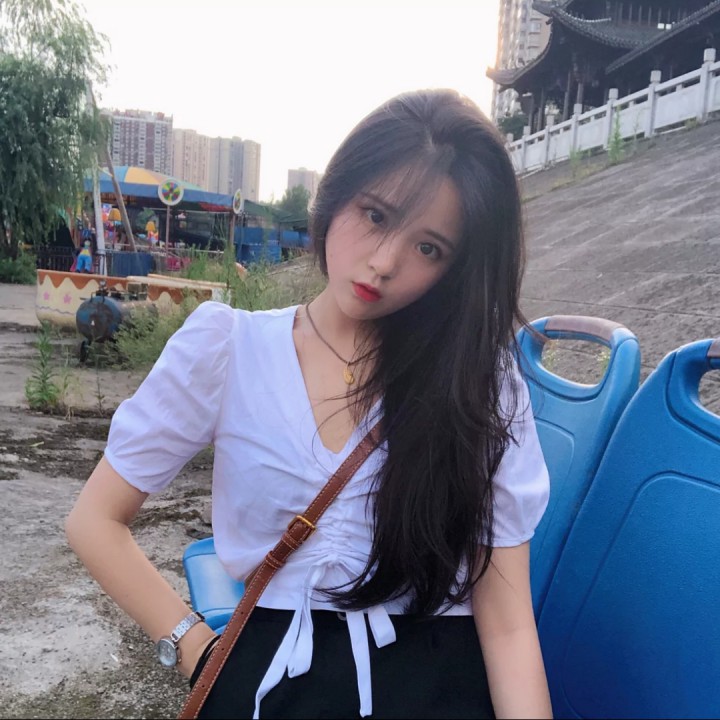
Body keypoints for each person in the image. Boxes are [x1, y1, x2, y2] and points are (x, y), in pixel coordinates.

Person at [65, 89, 552, 719]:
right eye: (375, 214)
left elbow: (508, 626)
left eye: (428, 248)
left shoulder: (478, 381)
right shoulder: (228, 349)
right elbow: (95, 519)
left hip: (437, 682)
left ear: (455, 268)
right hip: (276, 680)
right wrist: (195, 648)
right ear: (335, 194)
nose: (384, 262)